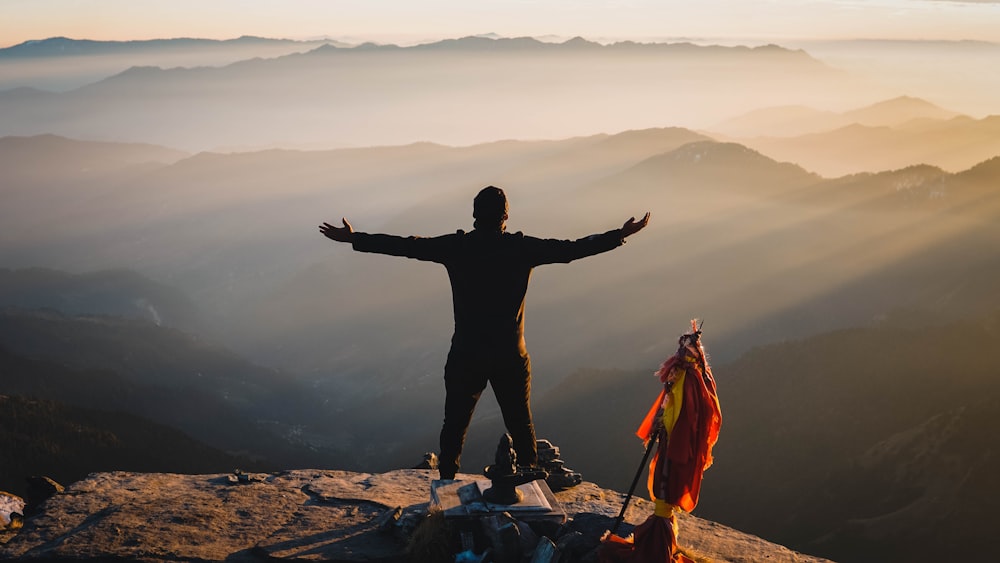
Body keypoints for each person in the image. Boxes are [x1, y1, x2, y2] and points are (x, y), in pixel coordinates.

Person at [320, 186, 650, 479]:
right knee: (521, 424)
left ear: (475, 215)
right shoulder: (522, 249)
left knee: (455, 424)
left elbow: (407, 246)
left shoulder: (457, 247)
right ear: (506, 216)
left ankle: (447, 482)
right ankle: (530, 484)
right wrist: (619, 234)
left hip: (467, 352)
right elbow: (570, 250)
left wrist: (355, 238)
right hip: (510, 354)